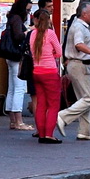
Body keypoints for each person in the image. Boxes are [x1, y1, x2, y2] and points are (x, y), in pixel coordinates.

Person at [56, 1, 90, 141]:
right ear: (84, 14)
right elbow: (79, 44)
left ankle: (84, 131)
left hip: (80, 64)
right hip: (79, 64)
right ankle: (63, 116)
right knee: (89, 99)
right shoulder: (79, 26)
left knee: (83, 98)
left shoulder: (82, 25)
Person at [28, 10, 64, 143]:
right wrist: (51, 56)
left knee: (41, 104)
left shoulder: (32, 34)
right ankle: (49, 134)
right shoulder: (50, 34)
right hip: (50, 72)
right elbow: (59, 52)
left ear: (35, 20)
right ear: (48, 20)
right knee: (53, 105)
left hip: (36, 72)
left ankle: (41, 134)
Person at [3, 0, 33, 131]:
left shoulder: (11, 17)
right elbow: (18, 36)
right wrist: (29, 30)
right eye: (27, 10)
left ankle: (12, 121)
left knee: (12, 88)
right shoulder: (16, 19)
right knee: (19, 88)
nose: (28, 13)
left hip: (9, 56)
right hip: (16, 56)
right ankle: (19, 121)